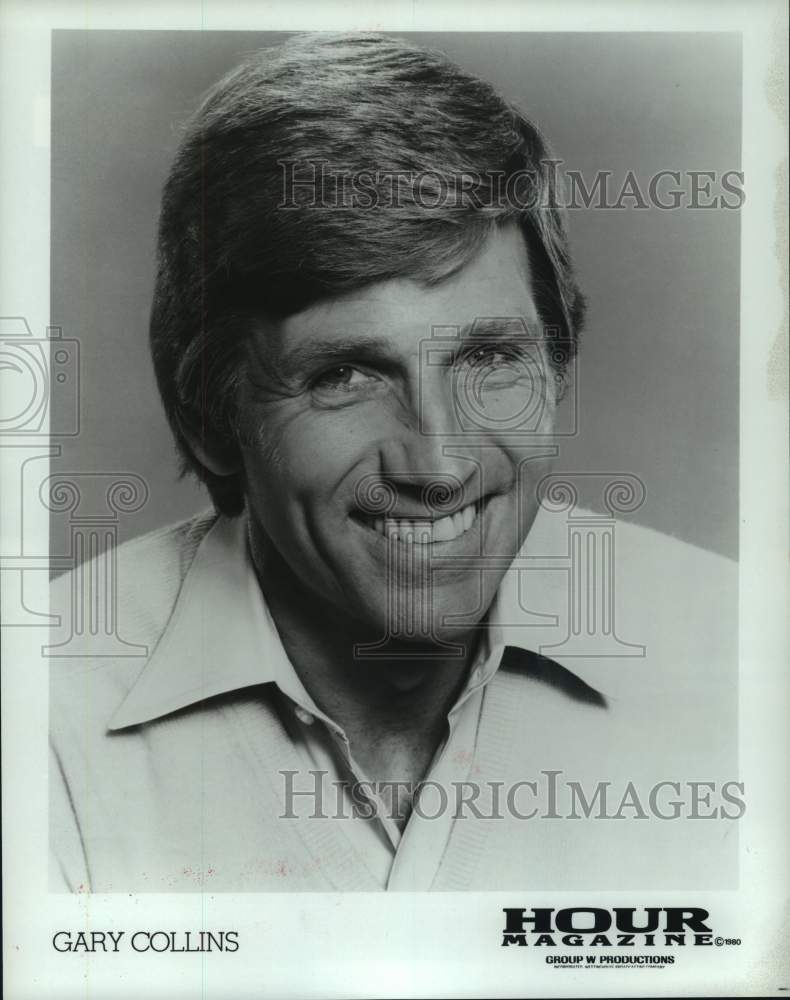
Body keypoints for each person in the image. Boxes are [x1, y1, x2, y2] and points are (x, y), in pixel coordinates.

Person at [50, 31, 738, 893]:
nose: (439, 464)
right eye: (344, 376)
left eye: (489, 359)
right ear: (209, 419)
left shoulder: (745, 658)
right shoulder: (42, 715)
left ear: (557, 369)